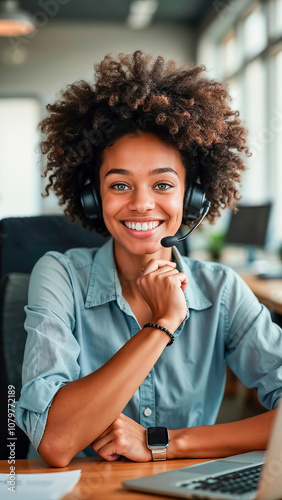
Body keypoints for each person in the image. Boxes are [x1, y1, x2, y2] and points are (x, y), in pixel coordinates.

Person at [15, 50, 282, 467]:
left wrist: (166, 443)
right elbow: (56, 442)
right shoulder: (60, 275)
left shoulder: (221, 290)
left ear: (191, 197)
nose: (142, 204)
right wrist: (164, 323)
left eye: (162, 184)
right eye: (120, 185)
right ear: (92, 198)